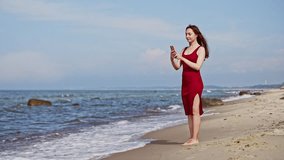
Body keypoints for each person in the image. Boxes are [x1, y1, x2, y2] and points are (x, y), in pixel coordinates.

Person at [170, 24, 209, 145]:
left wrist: (182, 58)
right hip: (185, 84)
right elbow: (177, 67)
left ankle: (195, 139)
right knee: (189, 112)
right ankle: (191, 137)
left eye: (189, 34)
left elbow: (197, 67)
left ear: (196, 35)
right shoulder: (184, 50)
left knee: (195, 110)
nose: (187, 36)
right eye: (186, 34)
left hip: (195, 83)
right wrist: (172, 58)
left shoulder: (200, 49)